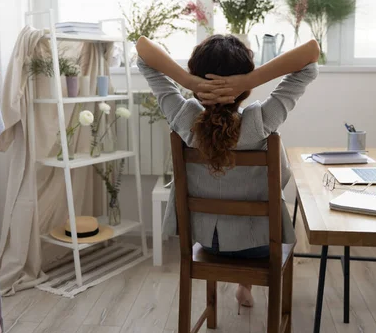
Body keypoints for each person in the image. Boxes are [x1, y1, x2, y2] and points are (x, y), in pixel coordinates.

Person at [136, 34, 319, 312]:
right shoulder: (261, 122)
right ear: (244, 89)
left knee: (230, 222)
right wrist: (249, 80)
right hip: (258, 245)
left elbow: (143, 53)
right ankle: (245, 285)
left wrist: (191, 84)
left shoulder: (184, 118)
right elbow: (310, 59)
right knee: (255, 225)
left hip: (208, 242)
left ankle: (242, 286)